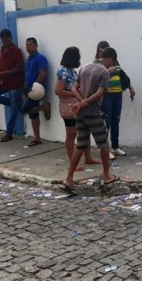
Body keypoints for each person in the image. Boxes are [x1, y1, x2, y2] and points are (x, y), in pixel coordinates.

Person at [61, 47, 120, 193]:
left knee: (81, 145)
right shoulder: (105, 72)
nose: (111, 65)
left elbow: (74, 88)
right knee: (103, 144)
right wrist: (86, 102)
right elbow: (100, 93)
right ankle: (106, 175)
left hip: (80, 114)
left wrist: (81, 101)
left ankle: (69, 178)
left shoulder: (84, 68)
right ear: (110, 59)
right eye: (112, 62)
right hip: (93, 113)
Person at [55, 47, 100, 170]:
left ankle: (88, 158)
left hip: (76, 105)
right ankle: (73, 163)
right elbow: (58, 91)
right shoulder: (63, 72)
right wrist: (75, 94)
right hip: (68, 106)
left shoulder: (72, 71)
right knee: (71, 134)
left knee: (83, 131)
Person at [95, 41, 135, 157]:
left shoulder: (114, 61)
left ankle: (115, 147)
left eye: (105, 50)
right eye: (101, 50)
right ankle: (105, 149)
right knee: (106, 122)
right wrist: (108, 71)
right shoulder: (97, 64)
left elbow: (122, 75)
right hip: (107, 95)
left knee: (115, 121)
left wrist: (130, 87)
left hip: (117, 94)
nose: (103, 53)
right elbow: (97, 78)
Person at [0, 29, 24, 143]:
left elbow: (19, 68)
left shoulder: (16, 51)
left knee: (13, 110)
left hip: (15, 83)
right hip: (4, 82)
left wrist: (3, 73)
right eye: (2, 38)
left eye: (5, 38)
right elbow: (2, 67)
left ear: (10, 37)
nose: (3, 40)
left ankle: (9, 133)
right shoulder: (2, 49)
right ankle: (17, 104)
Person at [20, 38, 51, 146]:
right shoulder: (28, 59)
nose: (28, 46)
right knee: (33, 114)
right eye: (27, 45)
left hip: (36, 90)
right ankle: (37, 138)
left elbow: (42, 73)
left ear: (36, 45)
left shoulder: (40, 58)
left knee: (24, 109)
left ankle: (45, 107)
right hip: (28, 90)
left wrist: (34, 87)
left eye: (30, 44)